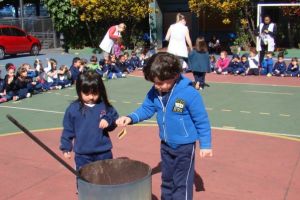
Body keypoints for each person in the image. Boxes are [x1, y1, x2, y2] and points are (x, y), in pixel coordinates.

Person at [116, 52, 212, 200]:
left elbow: (201, 120)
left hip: (185, 146)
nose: (157, 86)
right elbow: (146, 109)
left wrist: (205, 144)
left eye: (160, 83)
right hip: (166, 144)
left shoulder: (189, 93)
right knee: (167, 180)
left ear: (173, 76)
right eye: (154, 83)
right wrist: (130, 118)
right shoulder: (156, 91)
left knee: (181, 183)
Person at [60, 70, 119, 172]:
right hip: (83, 155)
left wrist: (107, 120)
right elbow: (68, 130)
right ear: (79, 91)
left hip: (103, 152)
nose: (91, 97)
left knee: (106, 177)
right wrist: (66, 147)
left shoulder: (104, 105)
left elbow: (114, 117)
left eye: (95, 93)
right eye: (87, 94)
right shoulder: (73, 109)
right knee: (85, 179)